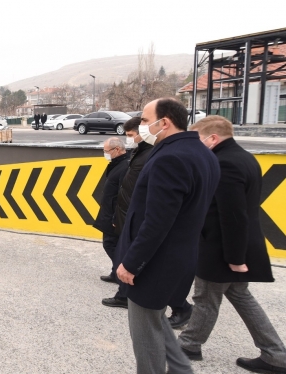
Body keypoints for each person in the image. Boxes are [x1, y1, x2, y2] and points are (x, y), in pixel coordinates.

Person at [116, 98, 220, 374]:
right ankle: (181, 368)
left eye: (145, 120)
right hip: (179, 257)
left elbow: (158, 221)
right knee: (156, 320)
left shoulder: (169, 158)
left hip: (156, 262)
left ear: (165, 122)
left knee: (145, 332)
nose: (142, 126)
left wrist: (132, 263)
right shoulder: (203, 153)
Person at [178, 116, 286, 373]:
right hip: (233, 244)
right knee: (239, 295)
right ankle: (275, 354)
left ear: (213, 138)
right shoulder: (245, 158)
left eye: (197, 140)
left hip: (222, 248)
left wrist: (235, 258)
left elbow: (233, 215)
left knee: (205, 298)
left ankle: (188, 344)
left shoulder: (224, 163)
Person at [104, 117, 194, 328]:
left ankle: (181, 307)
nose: (130, 139)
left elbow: (153, 199)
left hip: (139, 218)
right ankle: (123, 294)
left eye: (131, 134)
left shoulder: (157, 155)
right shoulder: (142, 153)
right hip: (129, 214)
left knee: (147, 267)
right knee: (124, 255)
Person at [93, 137, 128, 286]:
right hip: (109, 212)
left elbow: (123, 194)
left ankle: (123, 274)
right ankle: (116, 273)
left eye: (106, 151)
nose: (105, 153)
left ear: (117, 149)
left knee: (110, 244)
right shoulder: (117, 164)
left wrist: (116, 217)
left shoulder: (125, 166)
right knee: (112, 244)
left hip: (114, 215)